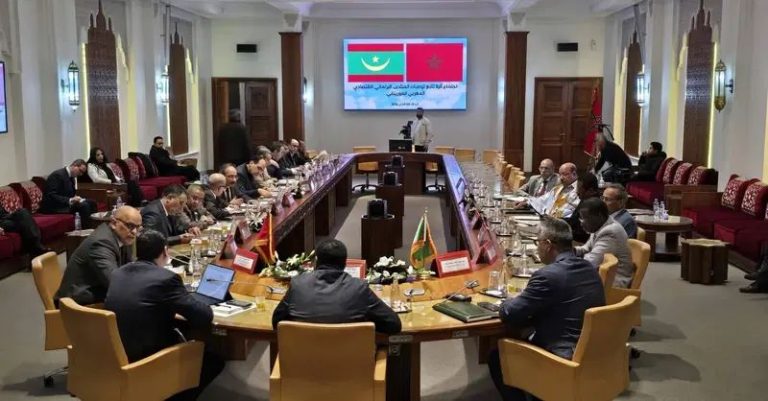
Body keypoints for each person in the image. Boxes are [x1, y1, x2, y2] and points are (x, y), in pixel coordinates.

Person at [488, 217, 605, 401]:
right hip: (594, 355)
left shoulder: (547, 276)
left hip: (561, 358)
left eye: (538, 242)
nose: (537, 248)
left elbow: (510, 314)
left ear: (548, 245)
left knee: (497, 356)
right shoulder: (590, 269)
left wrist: (506, 301)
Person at [104, 229, 224, 401]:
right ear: (165, 252)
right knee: (214, 360)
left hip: (116, 352)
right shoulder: (166, 279)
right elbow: (203, 317)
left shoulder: (118, 272)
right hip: (149, 357)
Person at [272, 239, 402, 334]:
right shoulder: (358, 288)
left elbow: (276, 322)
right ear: (345, 263)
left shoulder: (298, 284)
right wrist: (364, 323)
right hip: (350, 363)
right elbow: (393, 324)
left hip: (302, 362)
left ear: (316, 261)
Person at [54, 206, 141, 306]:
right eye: (130, 226)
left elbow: (130, 269)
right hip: (75, 303)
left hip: (96, 289)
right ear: (114, 223)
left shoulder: (122, 237)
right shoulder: (101, 243)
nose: (134, 232)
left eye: (138, 227)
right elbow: (114, 282)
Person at [574, 198, 634, 288]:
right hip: (600, 276)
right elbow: (586, 249)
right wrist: (569, 250)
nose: (581, 223)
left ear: (599, 216)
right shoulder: (600, 225)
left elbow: (592, 263)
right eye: (580, 218)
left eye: (585, 218)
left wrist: (566, 261)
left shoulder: (611, 232)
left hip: (613, 283)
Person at [40, 159, 97, 228]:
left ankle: (94, 228)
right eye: (80, 171)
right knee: (84, 206)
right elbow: (51, 195)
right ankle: (86, 230)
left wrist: (75, 198)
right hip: (54, 207)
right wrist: (70, 200)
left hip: (65, 203)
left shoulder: (71, 176)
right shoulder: (57, 175)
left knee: (92, 202)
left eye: (82, 173)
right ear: (74, 165)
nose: (80, 174)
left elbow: (69, 193)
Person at [567, 173, 601, 243]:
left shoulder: (594, 207)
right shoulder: (585, 200)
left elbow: (583, 235)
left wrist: (563, 231)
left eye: (580, 189)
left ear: (591, 191)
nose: (577, 192)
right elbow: (573, 220)